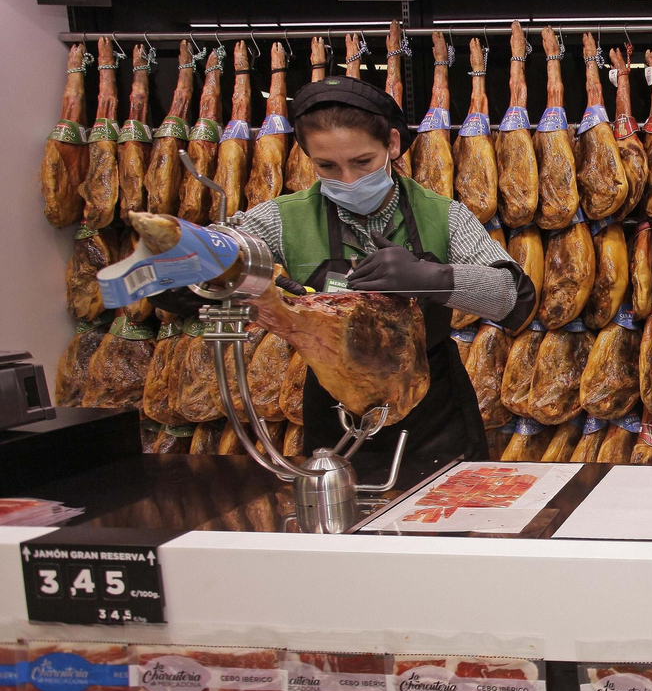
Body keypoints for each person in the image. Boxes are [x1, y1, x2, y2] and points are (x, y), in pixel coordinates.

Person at [162, 76, 536, 465]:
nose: (349, 180)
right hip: (334, 406)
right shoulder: (279, 220)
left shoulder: (445, 215)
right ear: (308, 158)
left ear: (391, 144)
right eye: (327, 166)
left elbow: (515, 299)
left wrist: (429, 277)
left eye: (362, 162)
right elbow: (183, 282)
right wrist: (204, 264)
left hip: (433, 408)